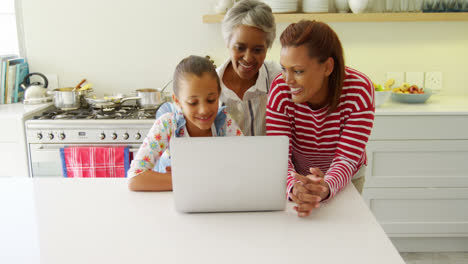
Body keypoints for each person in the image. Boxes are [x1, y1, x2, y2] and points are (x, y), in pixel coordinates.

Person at [266, 20, 375, 217]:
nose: (287, 80)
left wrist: (325, 187)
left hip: (347, 178)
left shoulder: (359, 90)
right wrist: (295, 187)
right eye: (284, 68)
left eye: (298, 71)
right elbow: (279, 156)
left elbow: (347, 158)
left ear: (327, 67)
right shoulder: (279, 89)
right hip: (295, 177)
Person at [127, 55, 243, 191]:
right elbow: (135, 179)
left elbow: (244, 169)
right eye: (193, 103)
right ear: (177, 101)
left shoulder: (225, 123)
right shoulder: (168, 125)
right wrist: (195, 179)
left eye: (211, 100)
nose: (204, 110)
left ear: (219, 94)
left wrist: (184, 178)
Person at [217, 0, 281, 136]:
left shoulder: (276, 77)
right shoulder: (211, 84)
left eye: (257, 50)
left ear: (267, 47)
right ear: (228, 42)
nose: (247, 58)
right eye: (240, 48)